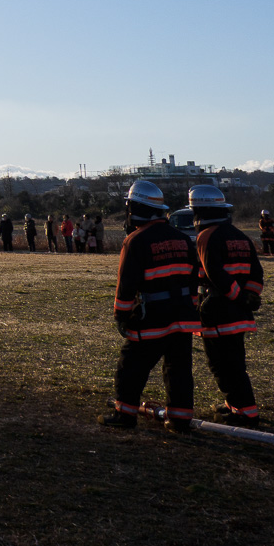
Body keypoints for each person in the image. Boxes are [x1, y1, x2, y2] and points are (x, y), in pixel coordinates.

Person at [102, 180, 199, 432]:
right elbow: (193, 279)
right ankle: (179, 420)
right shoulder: (182, 239)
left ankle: (125, 415)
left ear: (136, 208)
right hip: (183, 317)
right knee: (178, 370)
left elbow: (126, 284)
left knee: (131, 366)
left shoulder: (135, 240)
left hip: (152, 317)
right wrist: (192, 310)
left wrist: (121, 315)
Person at [189, 185, 264, 427]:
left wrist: (236, 296)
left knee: (222, 365)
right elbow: (257, 272)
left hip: (218, 312)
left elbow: (216, 275)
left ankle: (245, 413)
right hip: (239, 313)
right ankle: (236, 405)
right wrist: (249, 296)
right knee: (235, 363)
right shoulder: (240, 236)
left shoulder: (206, 236)